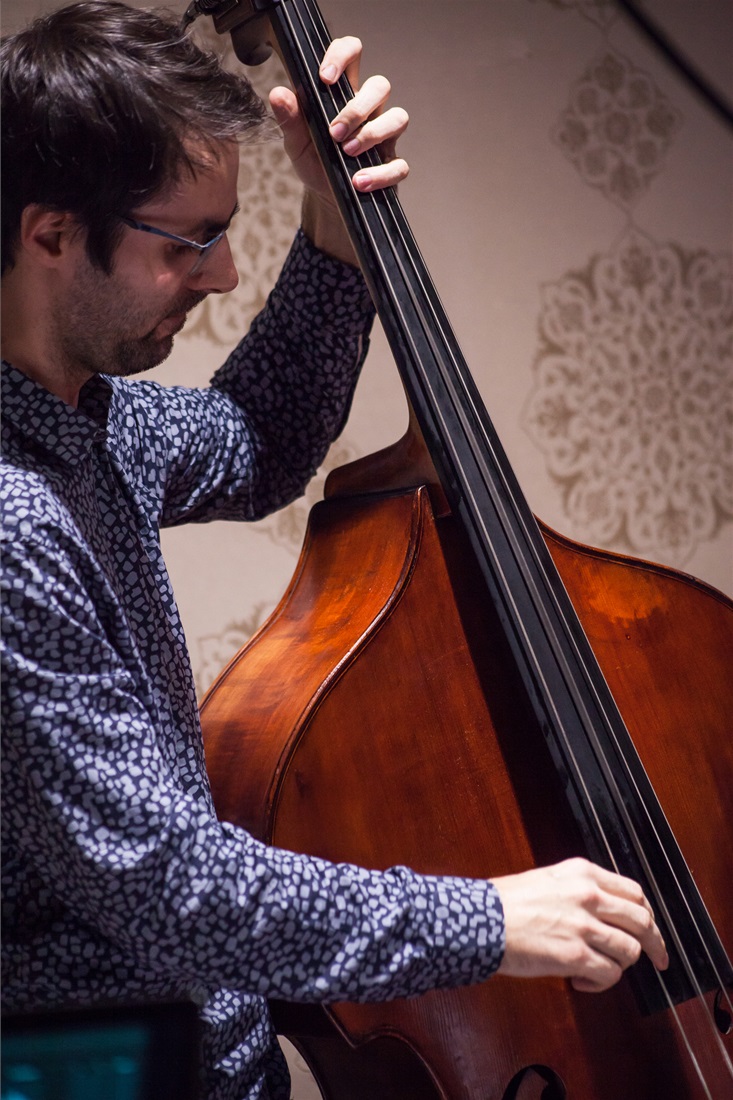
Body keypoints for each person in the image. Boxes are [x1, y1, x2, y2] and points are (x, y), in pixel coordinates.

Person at [0, 3, 668, 1098]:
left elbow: (256, 437)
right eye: (189, 243)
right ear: (51, 235)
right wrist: (489, 918)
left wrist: (330, 217)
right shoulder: (13, 524)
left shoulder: (94, 421)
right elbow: (172, 888)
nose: (222, 276)